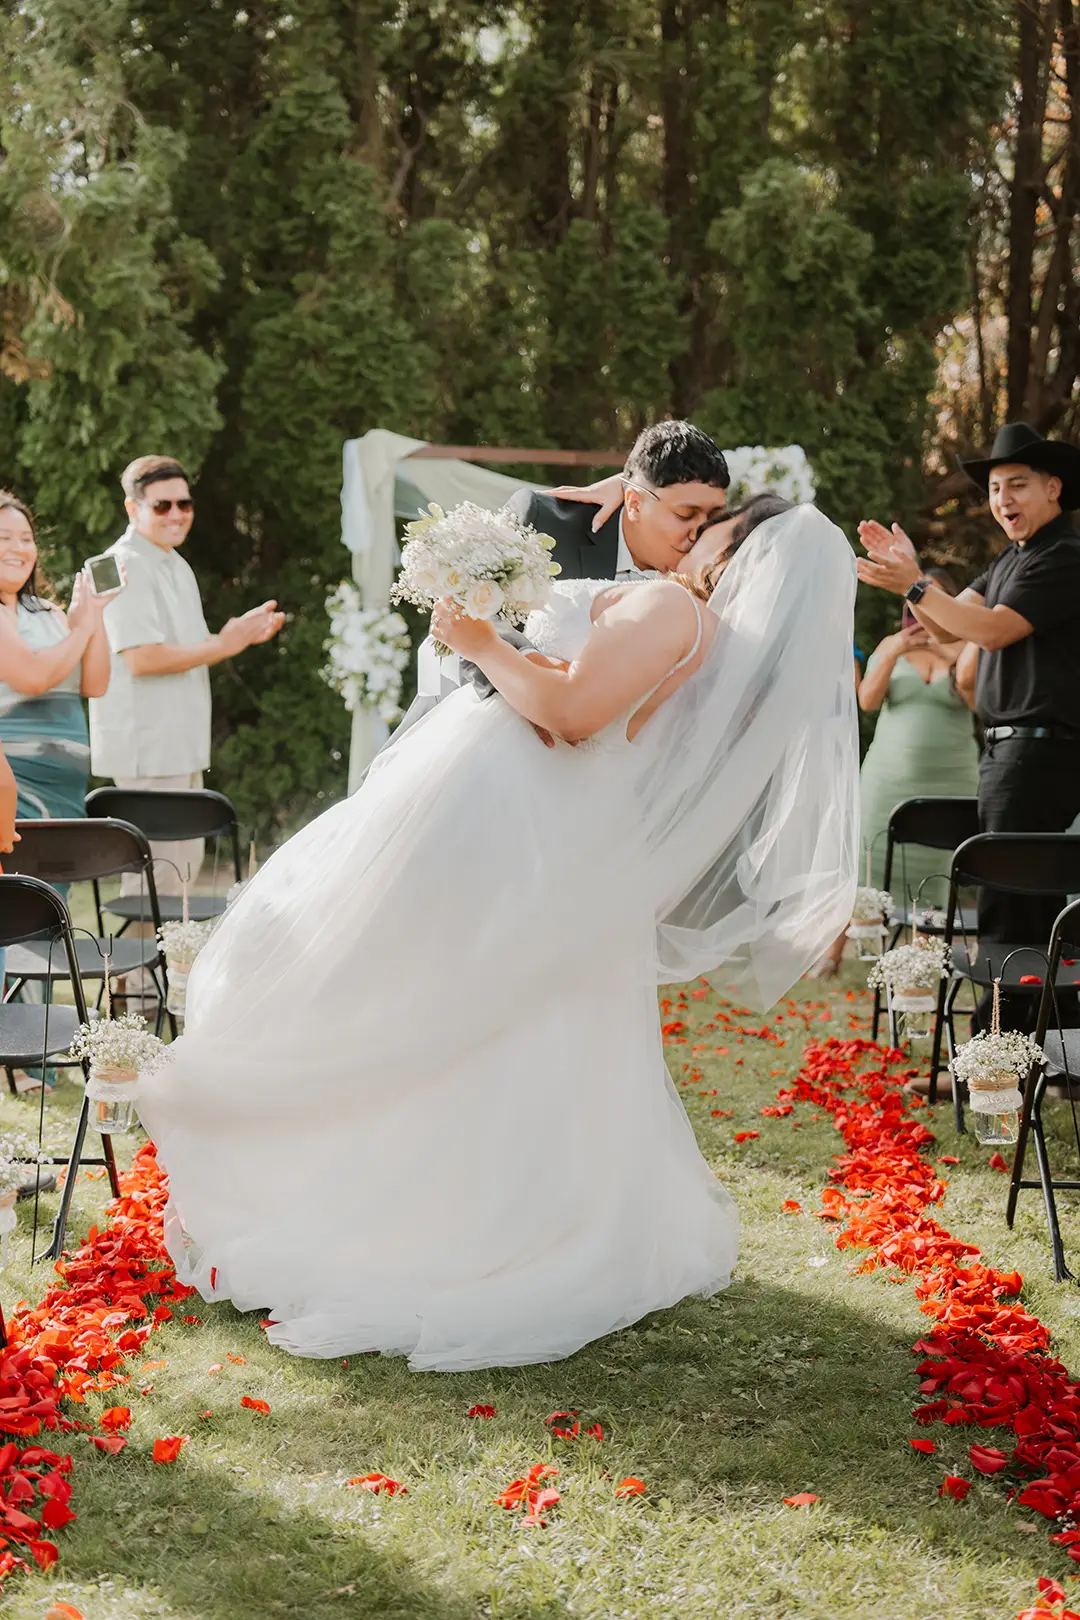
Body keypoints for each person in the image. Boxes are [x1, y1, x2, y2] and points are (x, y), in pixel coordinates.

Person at [137, 504, 858, 1372]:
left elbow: (570, 715)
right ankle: (486, 1205)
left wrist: (480, 642)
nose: (692, 529)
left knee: (428, 996)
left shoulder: (672, 610)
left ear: (730, 549)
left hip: (527, 820)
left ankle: (440, 1219)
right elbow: (579, 692)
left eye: (710, 521)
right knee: (501, 1020)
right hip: (553, 827)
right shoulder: (700, 632)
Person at [857, 422, 1080, 1026]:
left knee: (1015, 903)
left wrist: (916, 582)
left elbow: (994, 631)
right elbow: (953, 626)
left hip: (1039, 754)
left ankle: (1008, 1048)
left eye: (1018, 485)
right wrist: (911, 575)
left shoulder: (1063, 557)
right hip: (1008, 755)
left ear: (1053, 488)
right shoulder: (1012, 558)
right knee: (1018, 899)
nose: (1003, 499)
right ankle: (1040, 1046)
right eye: (995, 489)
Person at [394, 421, 730, 733]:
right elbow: (469, 613)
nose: (699, 531)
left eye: (713, 516)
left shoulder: (710, 574)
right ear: (634, 503)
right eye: (685, 514)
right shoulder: (547, 523)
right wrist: (536, 674)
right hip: (474, 727)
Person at [89, 456, 285, 893]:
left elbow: (185, 649)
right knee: (156, 880)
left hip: (180, 744)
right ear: (131, 508)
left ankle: (165, 965)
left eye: (185, 504)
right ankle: (138, 966)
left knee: (181, 872)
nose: (177, 514)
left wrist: (237, 635)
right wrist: (225, 643)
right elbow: (141, 658)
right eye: (162, 506)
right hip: (148, 746)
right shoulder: (113, 564)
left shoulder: (175, 564)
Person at [856, 568, 978, 901]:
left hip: (951, 782)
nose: (919, 608)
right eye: (913, 599)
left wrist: (947, 653)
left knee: (938, 880)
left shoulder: (969, 649)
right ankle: (835, 954)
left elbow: (980, 706)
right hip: (888, 783)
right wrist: (893, 652)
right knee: (868, 869)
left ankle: (925, 951)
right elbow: (867, 700)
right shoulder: (891, 644)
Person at [0, 493, 113, 821]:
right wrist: (80, 630)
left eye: (25, 539)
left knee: (55, 871)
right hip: (13, 788)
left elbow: (95, 683)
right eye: (4, 538)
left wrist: (95, 616)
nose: (18, 548)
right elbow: (33, 678)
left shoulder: (48, 612)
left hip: (64, 791)